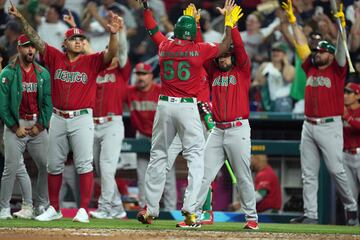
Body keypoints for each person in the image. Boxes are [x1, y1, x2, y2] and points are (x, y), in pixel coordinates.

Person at [7, 1, 121, 223]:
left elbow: (111, 54)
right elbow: (37, 40)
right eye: (74, 39)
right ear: (65, 43)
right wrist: (21, 19)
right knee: (53, 165)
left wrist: (114, 35)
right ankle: (54, 208)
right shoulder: (54, 57)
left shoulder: (92, 60)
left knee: (84, 164)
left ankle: (83, 210)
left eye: (81, 39)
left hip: (82, 118)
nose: (78, 41)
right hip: (57, 117)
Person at [136, 0, 238, 227]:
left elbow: (152, 30)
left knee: (158, 157)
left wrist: (146, 10)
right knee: (195, 157)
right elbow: (225, 45)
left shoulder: (165, 46)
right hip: (187, 106)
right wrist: (229, 24)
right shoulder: (199, 49)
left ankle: (150, 209)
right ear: (192, 34)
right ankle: (191, 210)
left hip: (163, 105)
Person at [282, 0, 358, 225]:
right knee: (308, 172)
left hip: (329, 125)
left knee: (336, 170)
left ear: (330, 54)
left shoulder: (338, 68)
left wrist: (341, 26)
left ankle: (351, 207)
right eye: (316, 51)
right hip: (309, 125)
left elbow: (342, 49)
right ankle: (311, 214)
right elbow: (300, 43)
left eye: (321, 51)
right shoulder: (310, 66)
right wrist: (293, 21)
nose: (317, 53)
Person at [193, 2, 259, 230]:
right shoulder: (213, 70)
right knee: (203, 173)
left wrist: (231, 26)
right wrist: (196, 25)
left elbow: (238, 47)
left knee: (243, 176)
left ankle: (251, 218)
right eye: (221, 56)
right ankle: (194, 214)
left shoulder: (242, 69)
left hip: (238, 128)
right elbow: (202, 50)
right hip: (218, 130)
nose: (222, 59)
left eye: (226, 56)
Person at [0, 34, 52, 219]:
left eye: (33, 47)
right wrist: (15, 127)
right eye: (26, 47)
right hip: (17, 125)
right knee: (10, 168)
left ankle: (40, 206)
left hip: (37, 124)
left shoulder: (43, 73)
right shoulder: (7, 73)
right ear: (19, 48)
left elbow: (47, 103)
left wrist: (41, 125)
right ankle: (4, 208)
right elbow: (3, 105)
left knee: (46, 165)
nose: (31, 50)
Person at [89, 16, 130, 220]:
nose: (111, 54)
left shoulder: (122, 71)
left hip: (112, 123)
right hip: (94, 124)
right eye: (108, 51)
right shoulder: (96, 71)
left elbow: (122, 50)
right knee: (101, 170)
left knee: (106, 168)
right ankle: (118, 208)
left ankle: (105, 207)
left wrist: (119, 32)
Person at [124, 62, 177, 211]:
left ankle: (170, 209)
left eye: (143, 74)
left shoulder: (161, 90)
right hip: (142, 135)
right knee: (143, 176)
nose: (140, 77)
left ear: (151, 76)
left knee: (166, 175)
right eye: (138, 74)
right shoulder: (130, 92)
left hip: (162, 135)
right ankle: (144, 208)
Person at [343, 82, 360, 226]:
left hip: (359, 154)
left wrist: (347, 118)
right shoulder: (341, 110)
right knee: (349, 193)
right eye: (345, 93)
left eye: (349, 93)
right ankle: (352, 225)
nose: (346, 96)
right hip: (345, 155)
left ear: (357, 95)